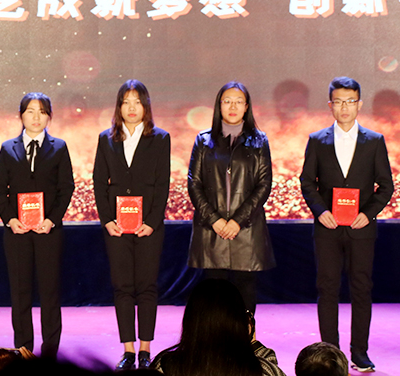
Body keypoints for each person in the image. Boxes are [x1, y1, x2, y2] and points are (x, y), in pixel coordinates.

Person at [299, 76, 394, 372]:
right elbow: (307, 182)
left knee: (361, 289)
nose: (344, 107)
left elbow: (386, 186)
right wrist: (320, 211)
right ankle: (330, 352)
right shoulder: (317, 140)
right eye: (338, 102)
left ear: (359, 104)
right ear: (330, 105)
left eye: (350, 101)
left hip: (361, 229)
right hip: (327, 228)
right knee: (327, 288)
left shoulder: (374, 141)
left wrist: (369, 213)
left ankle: (360, 352)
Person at [93, 80, 171, 371]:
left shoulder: (160, 138)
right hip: (117, 226)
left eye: (137, 102)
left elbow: (162, 183)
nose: (132, 108)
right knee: (122, 287)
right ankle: (127, 350)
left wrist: (151, 221)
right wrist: (107, 220)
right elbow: (99, 182)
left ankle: (145, 349)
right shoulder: (106, 139)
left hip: (148, 226)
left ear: (146, 106)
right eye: (126, 102)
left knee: (147, 286)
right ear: (119, 107)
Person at [0, 92, 75, 358]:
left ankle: (50, 353)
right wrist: (10, 219)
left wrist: (51, 220)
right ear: (21, 115)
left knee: (50, 293)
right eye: (30, 111)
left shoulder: (59, 147)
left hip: (49, 232)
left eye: (42, 111)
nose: (36, 117)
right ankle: (23, 351)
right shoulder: (8, 148)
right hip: (16, 233)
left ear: (49, 116)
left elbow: (66, 188)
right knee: (20, 293)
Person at [187, 81, 276, 313]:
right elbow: (194, 184)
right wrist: (215, 220)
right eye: (227, 101)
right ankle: (215, 337)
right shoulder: (204, 140)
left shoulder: (259, 141)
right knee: (214, 294)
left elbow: (263, 185)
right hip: (211, 230)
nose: (233, 107)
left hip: (246, 230)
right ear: (219, 105)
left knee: (245, 291)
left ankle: (245, 336)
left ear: (246, 107)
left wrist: (237, 221)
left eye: (238, 102)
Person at [151, 279, 287, 376]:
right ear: (241, 323)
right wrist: (254, 344)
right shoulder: (262, 370)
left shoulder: (164, 367)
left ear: (190, 321)